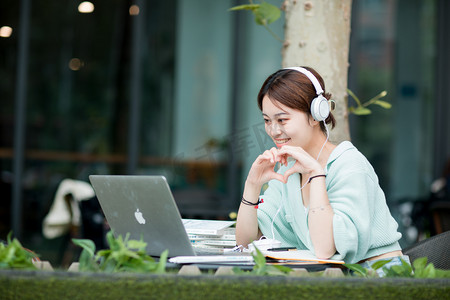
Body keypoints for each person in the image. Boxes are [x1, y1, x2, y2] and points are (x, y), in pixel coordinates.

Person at [235, 66, 409, 275]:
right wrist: (252, 185)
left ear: (317, 113)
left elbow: (326, 249)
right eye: (266, 120)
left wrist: (316, 174)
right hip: (331, 279)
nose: (273, 130)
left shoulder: (349, 164)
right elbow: (246, 243)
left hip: (379, 278)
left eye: (282, 120)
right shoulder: (290, 167)